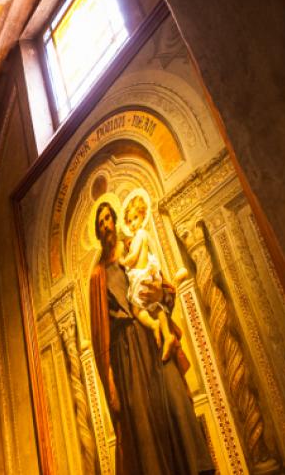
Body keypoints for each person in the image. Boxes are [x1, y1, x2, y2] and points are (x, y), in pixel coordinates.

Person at [89, 200, 214, 475]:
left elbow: (164, 288)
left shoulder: (134, 246)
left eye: (108, 218)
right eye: (101, 223)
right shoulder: (97, 276)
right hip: (126, 355)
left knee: (176, 402)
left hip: (154, 340)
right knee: (144, 428)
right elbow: (100, 336)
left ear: (115, 221)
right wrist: (109, 380)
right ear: (98, 233)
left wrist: (161, 295)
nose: (106, 225)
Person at [119, 191, 187, 361]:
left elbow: (135, 257)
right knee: (152, 307)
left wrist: (124, 261)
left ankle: (162, 330)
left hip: (144, 278)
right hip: (143, 278)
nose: (132, 224)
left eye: (135, 219)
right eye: (129, 221)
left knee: (144, 306)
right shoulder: (136, 240)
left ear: (142, 217)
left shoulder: (140, 236)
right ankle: (161, 330)